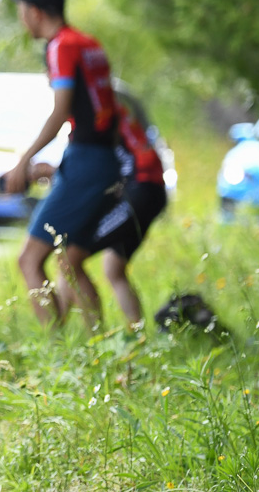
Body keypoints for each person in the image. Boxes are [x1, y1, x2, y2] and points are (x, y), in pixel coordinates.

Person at [3, 0, 120, 326]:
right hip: (100, 158)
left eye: (22, 10)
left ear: (36, 12)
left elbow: (61, 111)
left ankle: (56, 347)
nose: (22, 18)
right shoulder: (88, 42)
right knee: (69, 260)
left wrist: (24, 161)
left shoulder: (61, 46)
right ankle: (98, 344)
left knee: (29, 259)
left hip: (86, 160)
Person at [31, 102, 167, 326]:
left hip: (138, 190)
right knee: (112, 268)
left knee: (68, 258)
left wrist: (50, 171)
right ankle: (136, 337)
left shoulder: (92, 115)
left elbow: (95, 171)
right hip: (149, 190)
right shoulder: (108, 108)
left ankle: (89, 338)